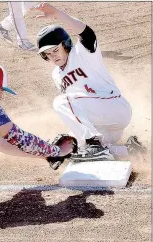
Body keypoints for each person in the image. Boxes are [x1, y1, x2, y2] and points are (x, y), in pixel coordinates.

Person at [33, 2, 146, 162]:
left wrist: (58, 15)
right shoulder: (56, 75)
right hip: (105, 124)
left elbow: (87, 32)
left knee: (60, 102)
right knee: (75, 148)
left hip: (115, 108)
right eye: (47, 54)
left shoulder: (82, 53)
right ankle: (129, 149)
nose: (53, 56)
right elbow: (76, 110)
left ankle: (94, 143)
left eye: (55, 50)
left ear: (65, 44)